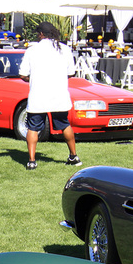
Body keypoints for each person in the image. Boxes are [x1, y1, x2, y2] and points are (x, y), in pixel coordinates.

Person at [19, 21, 79, 170]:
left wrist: (32, 78)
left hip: (38, 95)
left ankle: (32, 161)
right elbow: (71, 72)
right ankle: (73, 156)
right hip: (58, 95)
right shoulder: (64, 49)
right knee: (64, 124)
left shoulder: (32, 50)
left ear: (40, 34)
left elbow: (22, 74)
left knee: (33, 127)